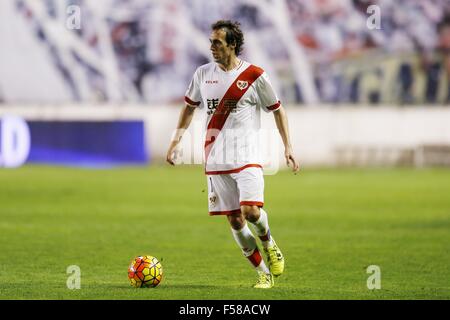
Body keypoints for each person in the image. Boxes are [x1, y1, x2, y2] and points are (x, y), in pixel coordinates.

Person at [166, 20, 299, 289]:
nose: (212, 47)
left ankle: (269, 242)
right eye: (211, 41)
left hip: (247, 156)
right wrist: (176, 140)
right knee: (235, 220)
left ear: (232, 44)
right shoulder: (203, 74)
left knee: (251, 212)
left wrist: (288, 147)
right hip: (216, 158)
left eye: (217, 42)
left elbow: (278, 109)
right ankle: (263, 273)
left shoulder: (254, 76)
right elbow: (189, 108)